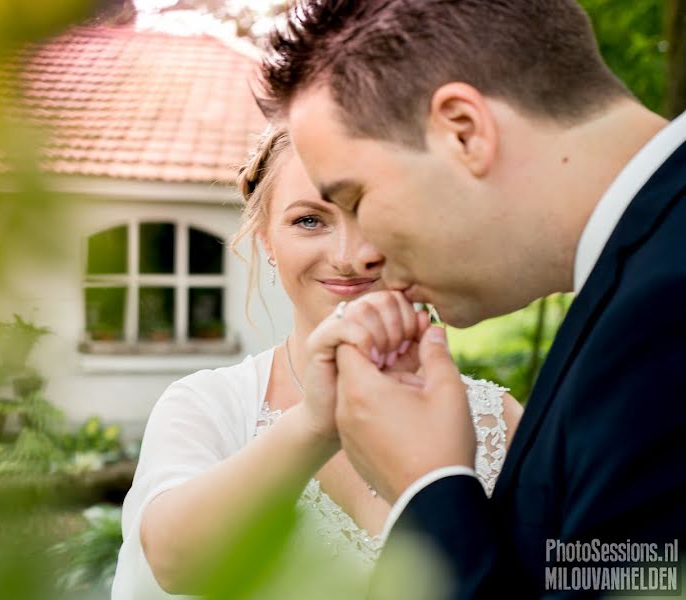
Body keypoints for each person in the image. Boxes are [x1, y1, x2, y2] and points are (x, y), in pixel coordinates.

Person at [257, 0, 686, 597]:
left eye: (355, 199)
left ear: (463, 129)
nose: (362, 256)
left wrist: (426, 489)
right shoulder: (641, 278)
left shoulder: (662, 310)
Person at [109, 125, 522, 599]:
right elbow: (174, 563)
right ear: (266, 239)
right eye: (309, 220)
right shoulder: (206, 407)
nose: (349, 257)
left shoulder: (501, 421)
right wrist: (314, 424)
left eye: (375, 214)